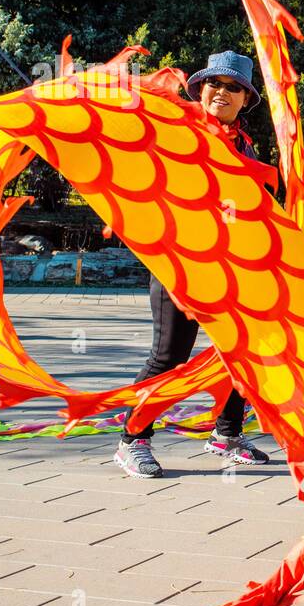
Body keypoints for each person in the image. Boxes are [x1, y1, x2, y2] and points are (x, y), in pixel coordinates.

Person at [114, 51, 271, 479]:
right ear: (201, 89)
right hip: (177, 263)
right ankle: (132, 440)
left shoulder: (244, 145)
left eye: (233, 87)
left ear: (245, 100)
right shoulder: (175, 128)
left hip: (229, 266)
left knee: (246, 352)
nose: (222, 92)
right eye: (214, 84)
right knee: (170, 357)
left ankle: (226, 434)